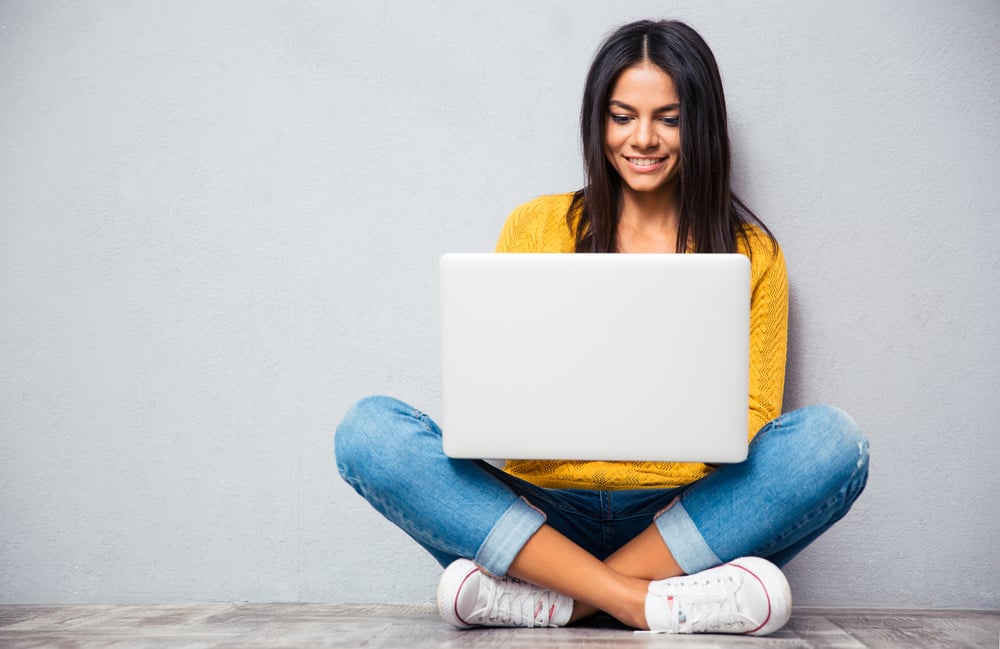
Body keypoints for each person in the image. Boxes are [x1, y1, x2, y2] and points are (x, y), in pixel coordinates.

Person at [334, 19, 869, 636]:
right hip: (540, 514)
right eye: (623, 116)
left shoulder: (752, 253)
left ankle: (558, 599)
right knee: (369, 433)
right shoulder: (536, 228)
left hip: (680, 519)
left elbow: (752, 419)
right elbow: (497, 396)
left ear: (700, 125)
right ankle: (644, 602)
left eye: (669, 118)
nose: (644, 139)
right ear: (598, 121)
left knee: (833, 443)